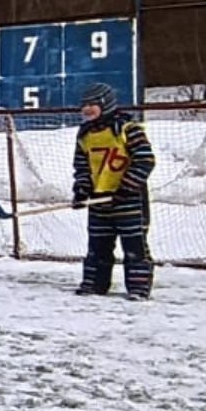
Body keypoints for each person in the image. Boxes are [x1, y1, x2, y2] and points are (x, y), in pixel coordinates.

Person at [72, 82, 157, 299]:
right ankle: (94, 284)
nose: (87, 109)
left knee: (134, 247)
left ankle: (138, 288)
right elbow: (82, 166)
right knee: (97, 247)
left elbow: (145, 160)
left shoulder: (128, 128)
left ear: (106, 104)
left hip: (129, 200)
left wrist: (128, 186)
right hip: (99, 200)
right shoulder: (85, 134)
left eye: (93, 104)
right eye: (84, 104)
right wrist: (82, 190)